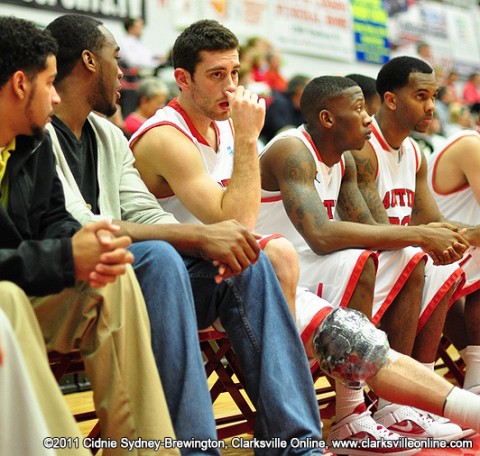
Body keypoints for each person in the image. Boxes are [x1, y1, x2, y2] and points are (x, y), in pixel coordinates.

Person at [129, 20, 478, 449]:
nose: (231, 87)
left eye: (235, 73)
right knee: (343, 317)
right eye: (216, 75)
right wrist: (245, 136)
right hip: (188, 284)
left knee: (363, 313)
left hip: (246, 272)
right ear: (182, 79)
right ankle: (351, 417)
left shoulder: (225, 128)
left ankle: (413, 408)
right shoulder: (171, 137)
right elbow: (239, 224)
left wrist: (422, 235)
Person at [46, 14, 325, 454]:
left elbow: (148, 214)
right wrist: (198, 237)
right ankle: (198, 448)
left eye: (235, 74)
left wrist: (204, 240)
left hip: (145, 278)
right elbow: (79, 225)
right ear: (88, 61)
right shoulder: (40, 134)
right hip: (78, 284)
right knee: (163, 256)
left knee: (246, 262)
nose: (123, 72)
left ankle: (296, 444)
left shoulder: (110, 136)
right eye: (115, 59)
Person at [256, 75, 471, 446]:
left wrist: (427, 240)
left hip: (306, 264)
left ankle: (395, 403)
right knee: (368, 259)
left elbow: (371, 229)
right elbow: (321, 236)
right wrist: (419, 233)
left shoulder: (344, 162)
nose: (368, 118)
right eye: (358, 110)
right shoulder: (291, 150)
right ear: (326, 119)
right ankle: (349, 416)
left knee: (412, 259)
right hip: (271, 269)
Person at [0, 15, 179, 456]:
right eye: (48, 83)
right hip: (12, 297)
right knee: (8, 300)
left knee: (110, 273)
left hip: (25, 292)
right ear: (20, 85)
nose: (57, 94)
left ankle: (147, 450)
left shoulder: (32, 142)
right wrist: (65, 256)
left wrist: (84, 249)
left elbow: (57, 218)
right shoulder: (43, 137)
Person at [351, 55, 480, 431]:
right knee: (418, 257)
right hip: (356, 266)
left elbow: (433, 222)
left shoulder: (413, 153)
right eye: (421, 96)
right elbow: (372, 229)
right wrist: (435, 237)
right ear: (390, 100)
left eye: (434, 96)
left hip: (396, 264)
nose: (430, 106)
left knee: (443, 262)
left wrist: (458, 236)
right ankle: (394, 399)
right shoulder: (362, 147)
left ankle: (416, 395)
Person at [427, 128, 480, 397]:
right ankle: (477, 377)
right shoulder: (471, 146)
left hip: (455, 256)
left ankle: (475, 370)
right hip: (432, 254)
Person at [260, 74, 309, 143]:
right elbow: (284, 133)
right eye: (309, 88)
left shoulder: (303, 109)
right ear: (299, 90)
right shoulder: (279, 103)